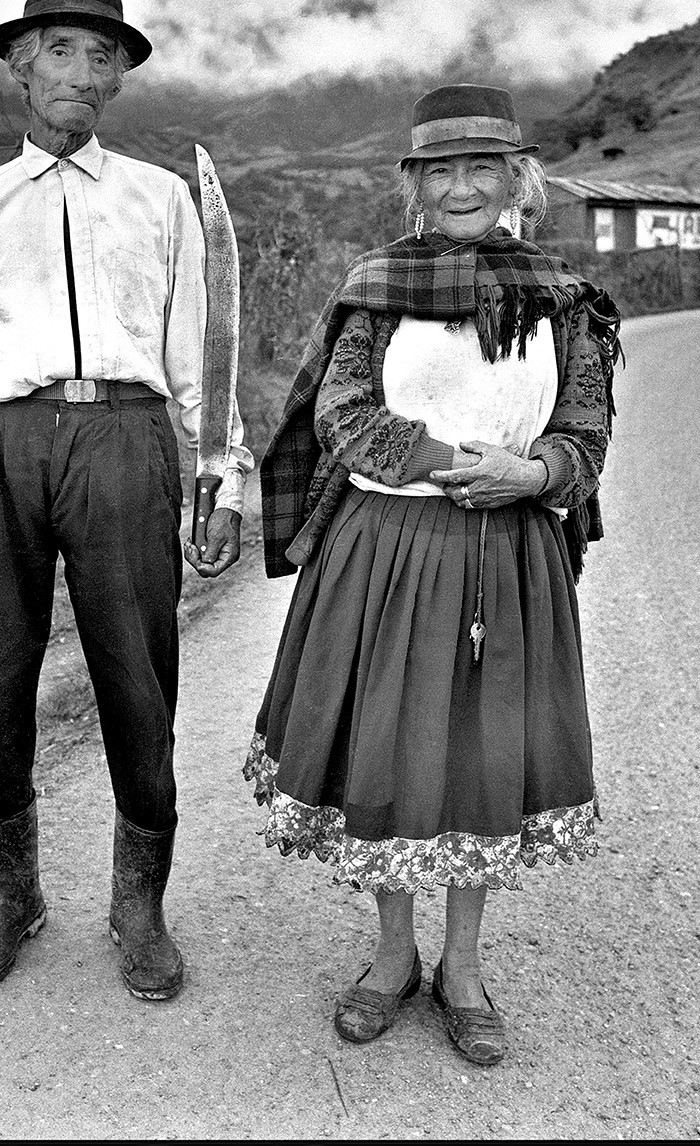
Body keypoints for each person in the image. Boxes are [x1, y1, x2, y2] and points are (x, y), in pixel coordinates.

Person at [0, 0, 253, 1002]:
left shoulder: (161, 199)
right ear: (18, 64)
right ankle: (12, 896)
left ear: (122, 78)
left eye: (103, 55)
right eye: (59, 50)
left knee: (139, 675)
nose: (82, 73)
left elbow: (199, 359)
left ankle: (140, 906)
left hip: (126, 441)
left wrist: (222, 475)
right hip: (1, 446)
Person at [247, 84, 621, 1065]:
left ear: (516, 180)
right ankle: (391, 956)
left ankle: (462, 965)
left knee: (476, 756)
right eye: (440, 170)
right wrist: (458, 468)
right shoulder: (378, 286)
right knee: (388, 748)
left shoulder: (567, 299)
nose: (461, 187)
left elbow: (586, 431)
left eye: (480, 167)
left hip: (508, 556)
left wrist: (532, 472)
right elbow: (343, 412)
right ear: (415, 186)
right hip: (388, 548)